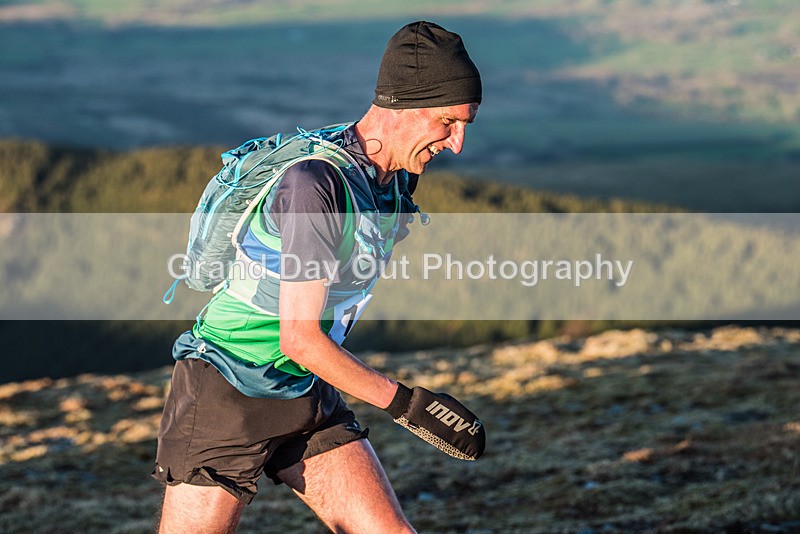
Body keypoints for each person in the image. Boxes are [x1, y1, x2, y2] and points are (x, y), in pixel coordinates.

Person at [152, 21, 484, 533]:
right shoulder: (315, 186)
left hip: (304, 391)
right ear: (404, 104)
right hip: (227, 390)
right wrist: (411, 406)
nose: (457, 144)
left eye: (466, 124)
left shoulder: (391, 178)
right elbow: (299, 337)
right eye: (447, 122)